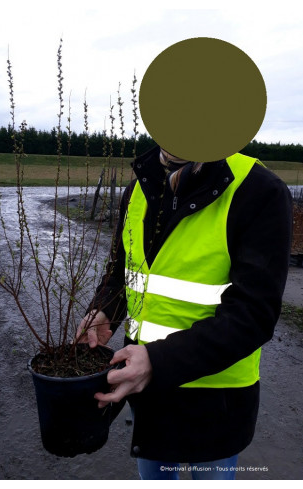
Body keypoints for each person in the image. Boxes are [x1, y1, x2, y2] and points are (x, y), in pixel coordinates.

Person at [77, 145, 293, 480]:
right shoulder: (138, 187)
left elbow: (254, 314)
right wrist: (105, 308)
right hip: (147, 395)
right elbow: (124, 268)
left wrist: (158, 361)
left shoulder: (258, 190)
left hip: (214, 403)